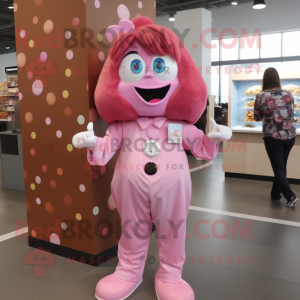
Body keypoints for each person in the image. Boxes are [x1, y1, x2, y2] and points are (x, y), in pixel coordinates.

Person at [72, 17, 232, 300]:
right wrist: (92, 142)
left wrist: (214, 138)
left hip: (172, 190)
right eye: (135, 67)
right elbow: (106, 148)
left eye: (159, 66)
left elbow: (200, 146)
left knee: (173, 231)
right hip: (129, 190)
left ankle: (170, 275)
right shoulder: (122, 126)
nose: (148, 76)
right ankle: (128, 271)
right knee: (132, 229)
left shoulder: (177, 125)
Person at [254, 67, 298, 208]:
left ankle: (290, 196)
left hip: (272, 135)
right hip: (290, 134)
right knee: (281, 165)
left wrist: (266, 113)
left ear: (265, 79)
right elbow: (291, 115)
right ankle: (275, 194)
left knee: (278, 167)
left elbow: (256, 117)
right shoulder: (288, 94)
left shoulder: (261, 96)